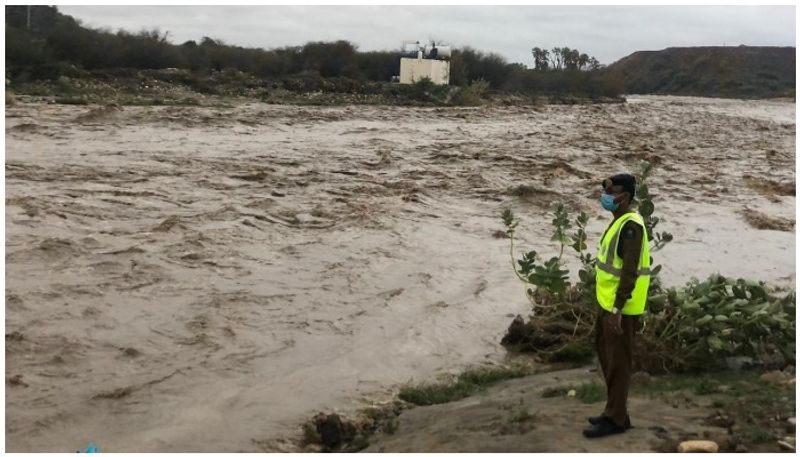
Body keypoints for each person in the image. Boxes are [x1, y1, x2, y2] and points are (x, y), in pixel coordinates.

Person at [583, 174, 652, 439]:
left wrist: (617, 310)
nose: (608, 196)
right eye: (607, 192)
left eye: (614, 192)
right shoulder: (619, 222)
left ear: (627, 196)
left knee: (618, 364)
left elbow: (630, 272)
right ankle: (615, 411)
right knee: (606, 356)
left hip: (621, 309)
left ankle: (615, 419)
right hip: (608, 303)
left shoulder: (631, 227)